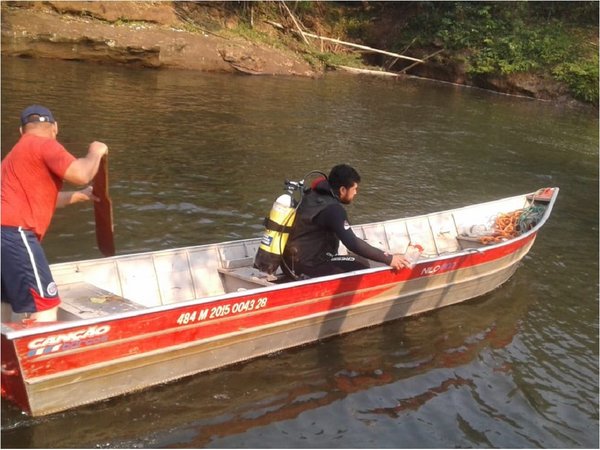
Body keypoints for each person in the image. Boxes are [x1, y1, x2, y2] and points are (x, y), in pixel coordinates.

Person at [1, 105, 108, 323]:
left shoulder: (13, 158)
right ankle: (43, 356)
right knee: (46, 306)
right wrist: (96, 151)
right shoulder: (45, 145)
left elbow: (36, 199)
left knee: (9, 301)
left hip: (5, 233)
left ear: (21, 131)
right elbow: (81, 173)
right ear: (55, 127)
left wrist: (80, 196)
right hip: (15, 233)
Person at [282, 164, 410, 278]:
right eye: (354, 189)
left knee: (354, 258)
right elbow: (352, 243)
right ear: (343, 190)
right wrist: (389, 259)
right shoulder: (333, 210)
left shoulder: (312, 195)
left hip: (288, 264)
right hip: (307, 266)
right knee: (360, 264)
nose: (356, 193)